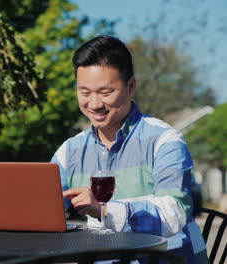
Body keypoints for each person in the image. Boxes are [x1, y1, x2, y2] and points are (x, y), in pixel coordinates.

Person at [52, 35, 208, 263]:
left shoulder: (165, 140)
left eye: (105, 93)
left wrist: (104, 210)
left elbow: (173, 213)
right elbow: (44, 210)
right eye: (84, 93)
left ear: (131, 86)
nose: (94, 104)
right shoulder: (69, 151)